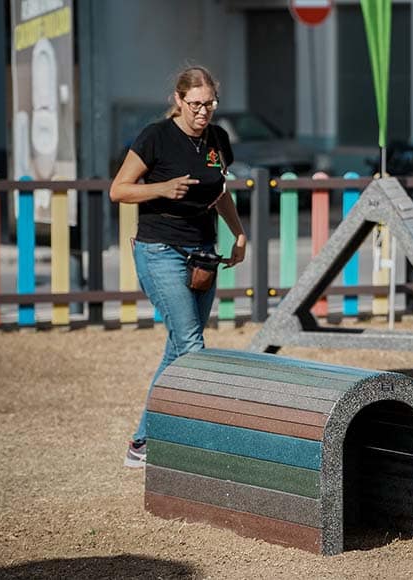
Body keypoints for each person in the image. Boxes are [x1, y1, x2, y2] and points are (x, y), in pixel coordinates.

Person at [110, 66, 246, 468]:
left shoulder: (218, 140)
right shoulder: (156, 137)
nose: (203, 112)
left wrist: (237, 233)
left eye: (210, 104)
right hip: (159, 250)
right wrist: (161, 188)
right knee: (191, 346)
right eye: (196, 104)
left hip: (202, 252)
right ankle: (199, 442)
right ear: (178, 99)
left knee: (178, 348)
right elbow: (119, 189)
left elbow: (219, 191)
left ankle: (142, 443)